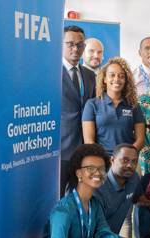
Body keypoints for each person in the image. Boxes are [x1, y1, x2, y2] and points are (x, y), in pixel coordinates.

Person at [82, 57, 146, 155]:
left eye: (121, 76)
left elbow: (140, 140)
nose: (116, 79)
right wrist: (104, 160)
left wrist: (125, 157)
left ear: (126, 80)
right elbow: (89, 142)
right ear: (104, 79)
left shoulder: (133, 105)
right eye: (112, 75)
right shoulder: (92, 104)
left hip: (128, 160)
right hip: (102, 161)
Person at [61, 26, 96, 196]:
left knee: (82, 197)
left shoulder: (90, 75)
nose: (75, 49)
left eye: (80, 45)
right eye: (70, 44)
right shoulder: (51, 73)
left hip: (85, 149)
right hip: (60, 149)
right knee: (58, 198)